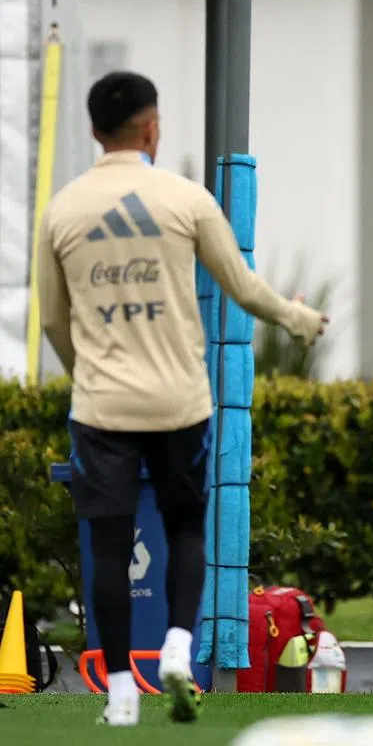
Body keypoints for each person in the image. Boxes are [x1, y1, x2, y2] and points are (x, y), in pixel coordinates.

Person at [37, 71, 327, 726]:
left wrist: (89, 373)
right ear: (152, 129)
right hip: (180, 402)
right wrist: (300, 321)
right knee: (186, 524)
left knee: (108, 547)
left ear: (92, 132)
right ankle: (175, 646)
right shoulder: (184, 198)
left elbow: (54, 320)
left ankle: (118, 692)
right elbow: (245, 289)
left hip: (102, 406)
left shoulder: (62, 210)